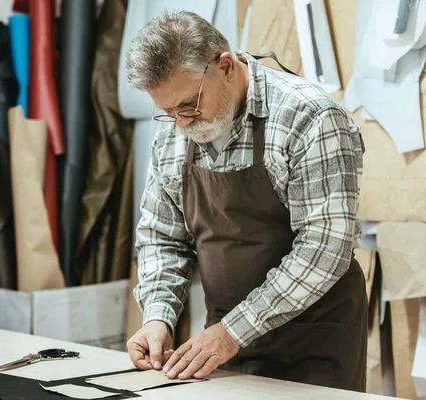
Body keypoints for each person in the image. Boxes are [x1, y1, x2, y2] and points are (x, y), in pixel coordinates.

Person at [125, 10, 368, 392]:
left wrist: (234, 330)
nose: (181, 123)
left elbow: (325, 245)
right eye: (168, 112)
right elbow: (162, 236)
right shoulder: (175, 133)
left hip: (314, 338)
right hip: (222, 338)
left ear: (225, 66)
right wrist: (158, 315)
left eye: (188, 105)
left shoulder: (310, 117)